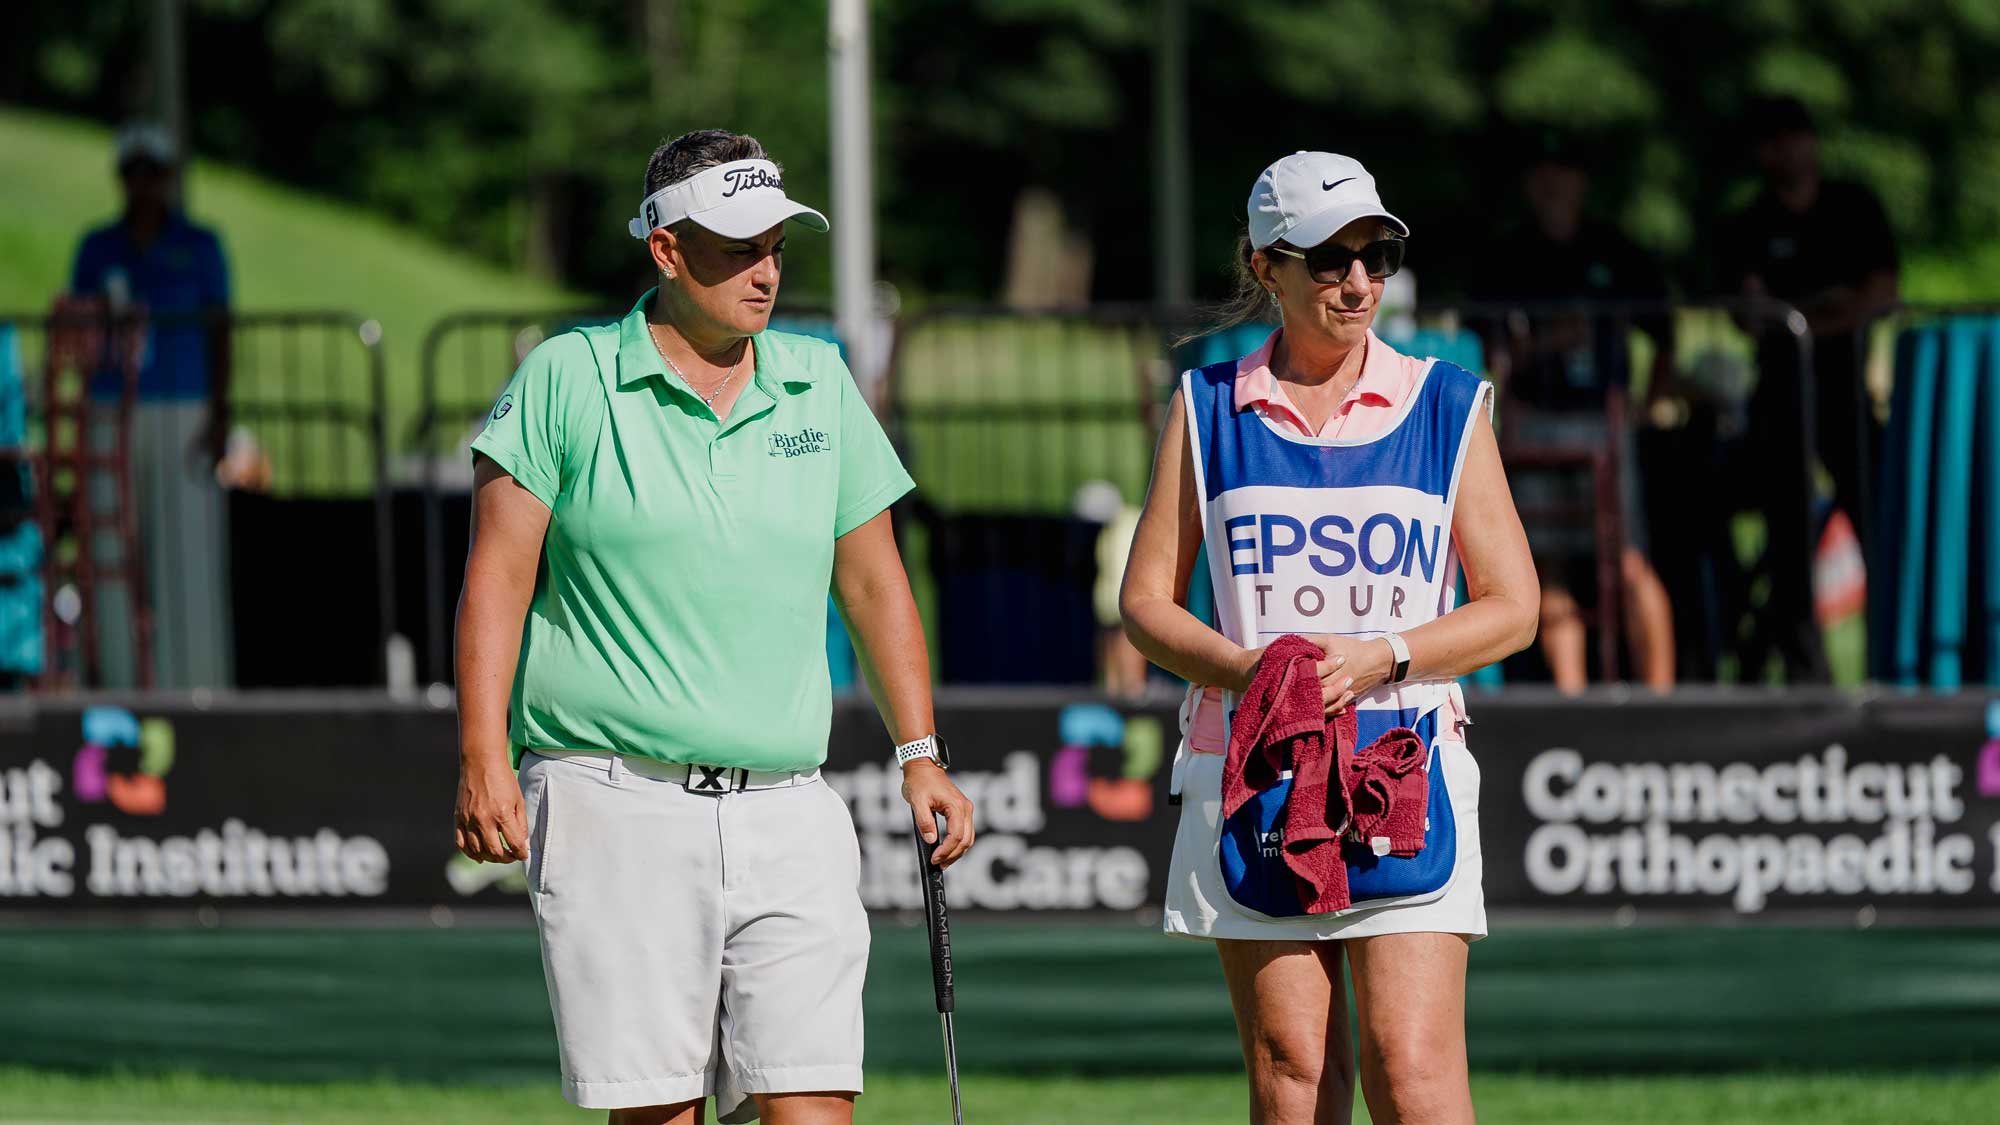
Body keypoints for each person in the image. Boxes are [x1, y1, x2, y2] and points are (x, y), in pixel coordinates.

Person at [453, 129, 975, 1125]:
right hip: (615, 801)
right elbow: (496, 582)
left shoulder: (818, 381)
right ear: (665, 249)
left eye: (775, 246)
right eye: (738, 248)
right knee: (660, 1112)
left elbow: (873, 586)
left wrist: (920, 753)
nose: (765, 272)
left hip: (791, 805)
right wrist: (482, 753)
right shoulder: (567, 377)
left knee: (812, 1105)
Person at [1121, 152, 1538, 1124]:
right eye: (1327, 258)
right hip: (1255, 763)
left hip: (1404, 761)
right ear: (1266, 267)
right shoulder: (1204, 406)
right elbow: (1144, 603)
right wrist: (1251, 671)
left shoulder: (1444, 401)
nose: (1357, 281)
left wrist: (1380, 654)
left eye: (1375, 253)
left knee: (1412, 1071)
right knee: (1292, 1072)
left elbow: (1510, 606)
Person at [1473, 138, 1676, 692]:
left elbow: (1665, 333)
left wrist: (1648, 404)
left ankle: (1663, 699)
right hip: (1533, 422)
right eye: (1544, 174)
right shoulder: (1509, 256)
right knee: (1547, 566)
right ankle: (1572, 697)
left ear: (1581, 184)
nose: (1554, 186)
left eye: (1565, 173)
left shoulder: (1615, 250)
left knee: (1628, 561)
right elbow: (1493, 355)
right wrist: (1545, 345)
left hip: (1604, 425)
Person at [1718, 96, 1899, 682]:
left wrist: (1804, 320)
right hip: (1780, 402)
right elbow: (1750, 310)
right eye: (1777, 139)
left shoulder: (1854, 207)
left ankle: (1895, 661)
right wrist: (1825, 310)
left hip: (1847, 397)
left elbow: (1880, 293)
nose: (1791, 150)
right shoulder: (1751, 222)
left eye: (1799, 136)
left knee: (1879, 523)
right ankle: (1804, 673)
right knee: (1789, 542)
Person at [67, 122, 234, 688]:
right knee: (111, 553)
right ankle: (118, 682)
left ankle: (197, 686)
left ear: (169, 178)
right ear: (122, 178)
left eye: (154, 171)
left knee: (188, 551)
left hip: (184, 408)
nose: (144, 182)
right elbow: (75, 333)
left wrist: (221, 413)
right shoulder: (96, 247)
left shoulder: (202, 244)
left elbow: (221, 330)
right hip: (111, 410)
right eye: (134, 171)